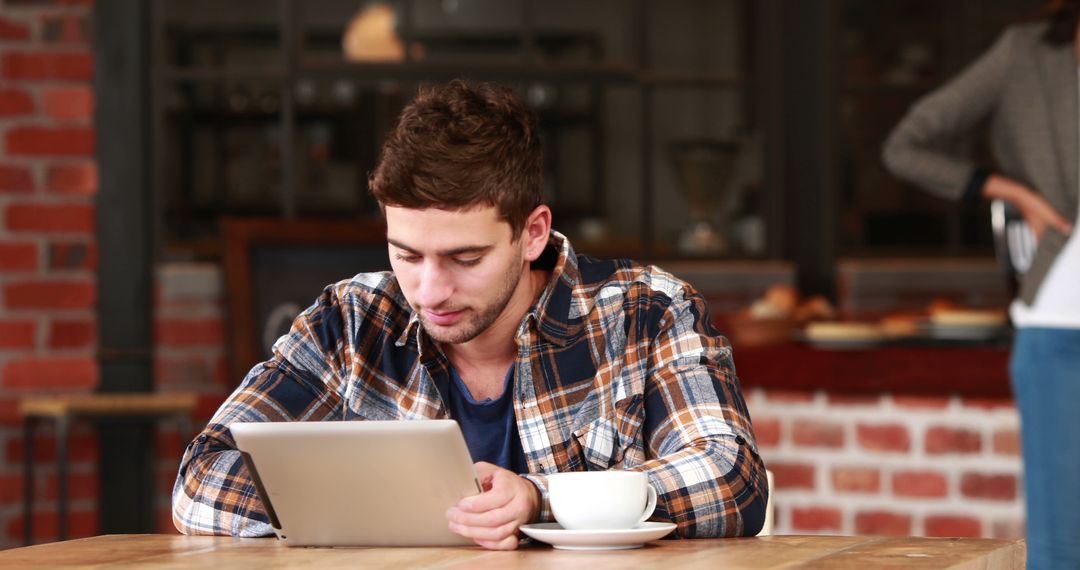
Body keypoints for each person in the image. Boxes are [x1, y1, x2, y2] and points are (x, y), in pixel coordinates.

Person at [172, 80, 768, 549]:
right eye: (406, 254)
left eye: (465, 257)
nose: (430, 290)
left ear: (532, 233)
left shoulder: (646, 312)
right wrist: (409, 508)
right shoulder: (350, 321)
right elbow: (200, 479)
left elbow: (733, 478)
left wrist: (540, 500)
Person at [882, 2, 1080, 567]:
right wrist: (1011, 191)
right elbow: (907, 146)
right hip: (1061, 328)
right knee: (1062, 543)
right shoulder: (1025, 54)